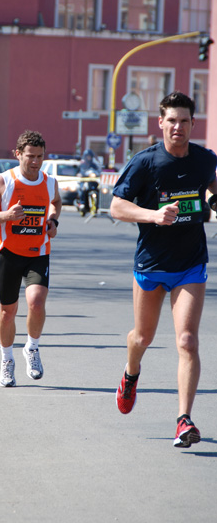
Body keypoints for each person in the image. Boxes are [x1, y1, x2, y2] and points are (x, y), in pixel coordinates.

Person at [110, 91, 217, 449]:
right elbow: (116, 206)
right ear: (161, 123)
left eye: (184, 120)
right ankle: (130, 374)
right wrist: (153, 215)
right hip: (152, 265)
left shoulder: (204, 159)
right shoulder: (145, 162)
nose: (178, 127)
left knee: (187, 340)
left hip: (190, 263)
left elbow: (213, 186)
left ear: (192, 124)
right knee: (142, 338)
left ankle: (183, 420)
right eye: (171, 120)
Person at [0, 130, 62, 387]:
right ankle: (7, 360)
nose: (35, 162)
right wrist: (6, 216)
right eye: (30, 156)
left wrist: (52, 220)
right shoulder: (4, 182)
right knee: (8, 312)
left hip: (38, 252)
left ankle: (32, 347)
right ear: (18, 155)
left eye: (39, 156)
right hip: (9, 253)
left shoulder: (50, 182)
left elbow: (56, 202)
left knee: (36, 302)